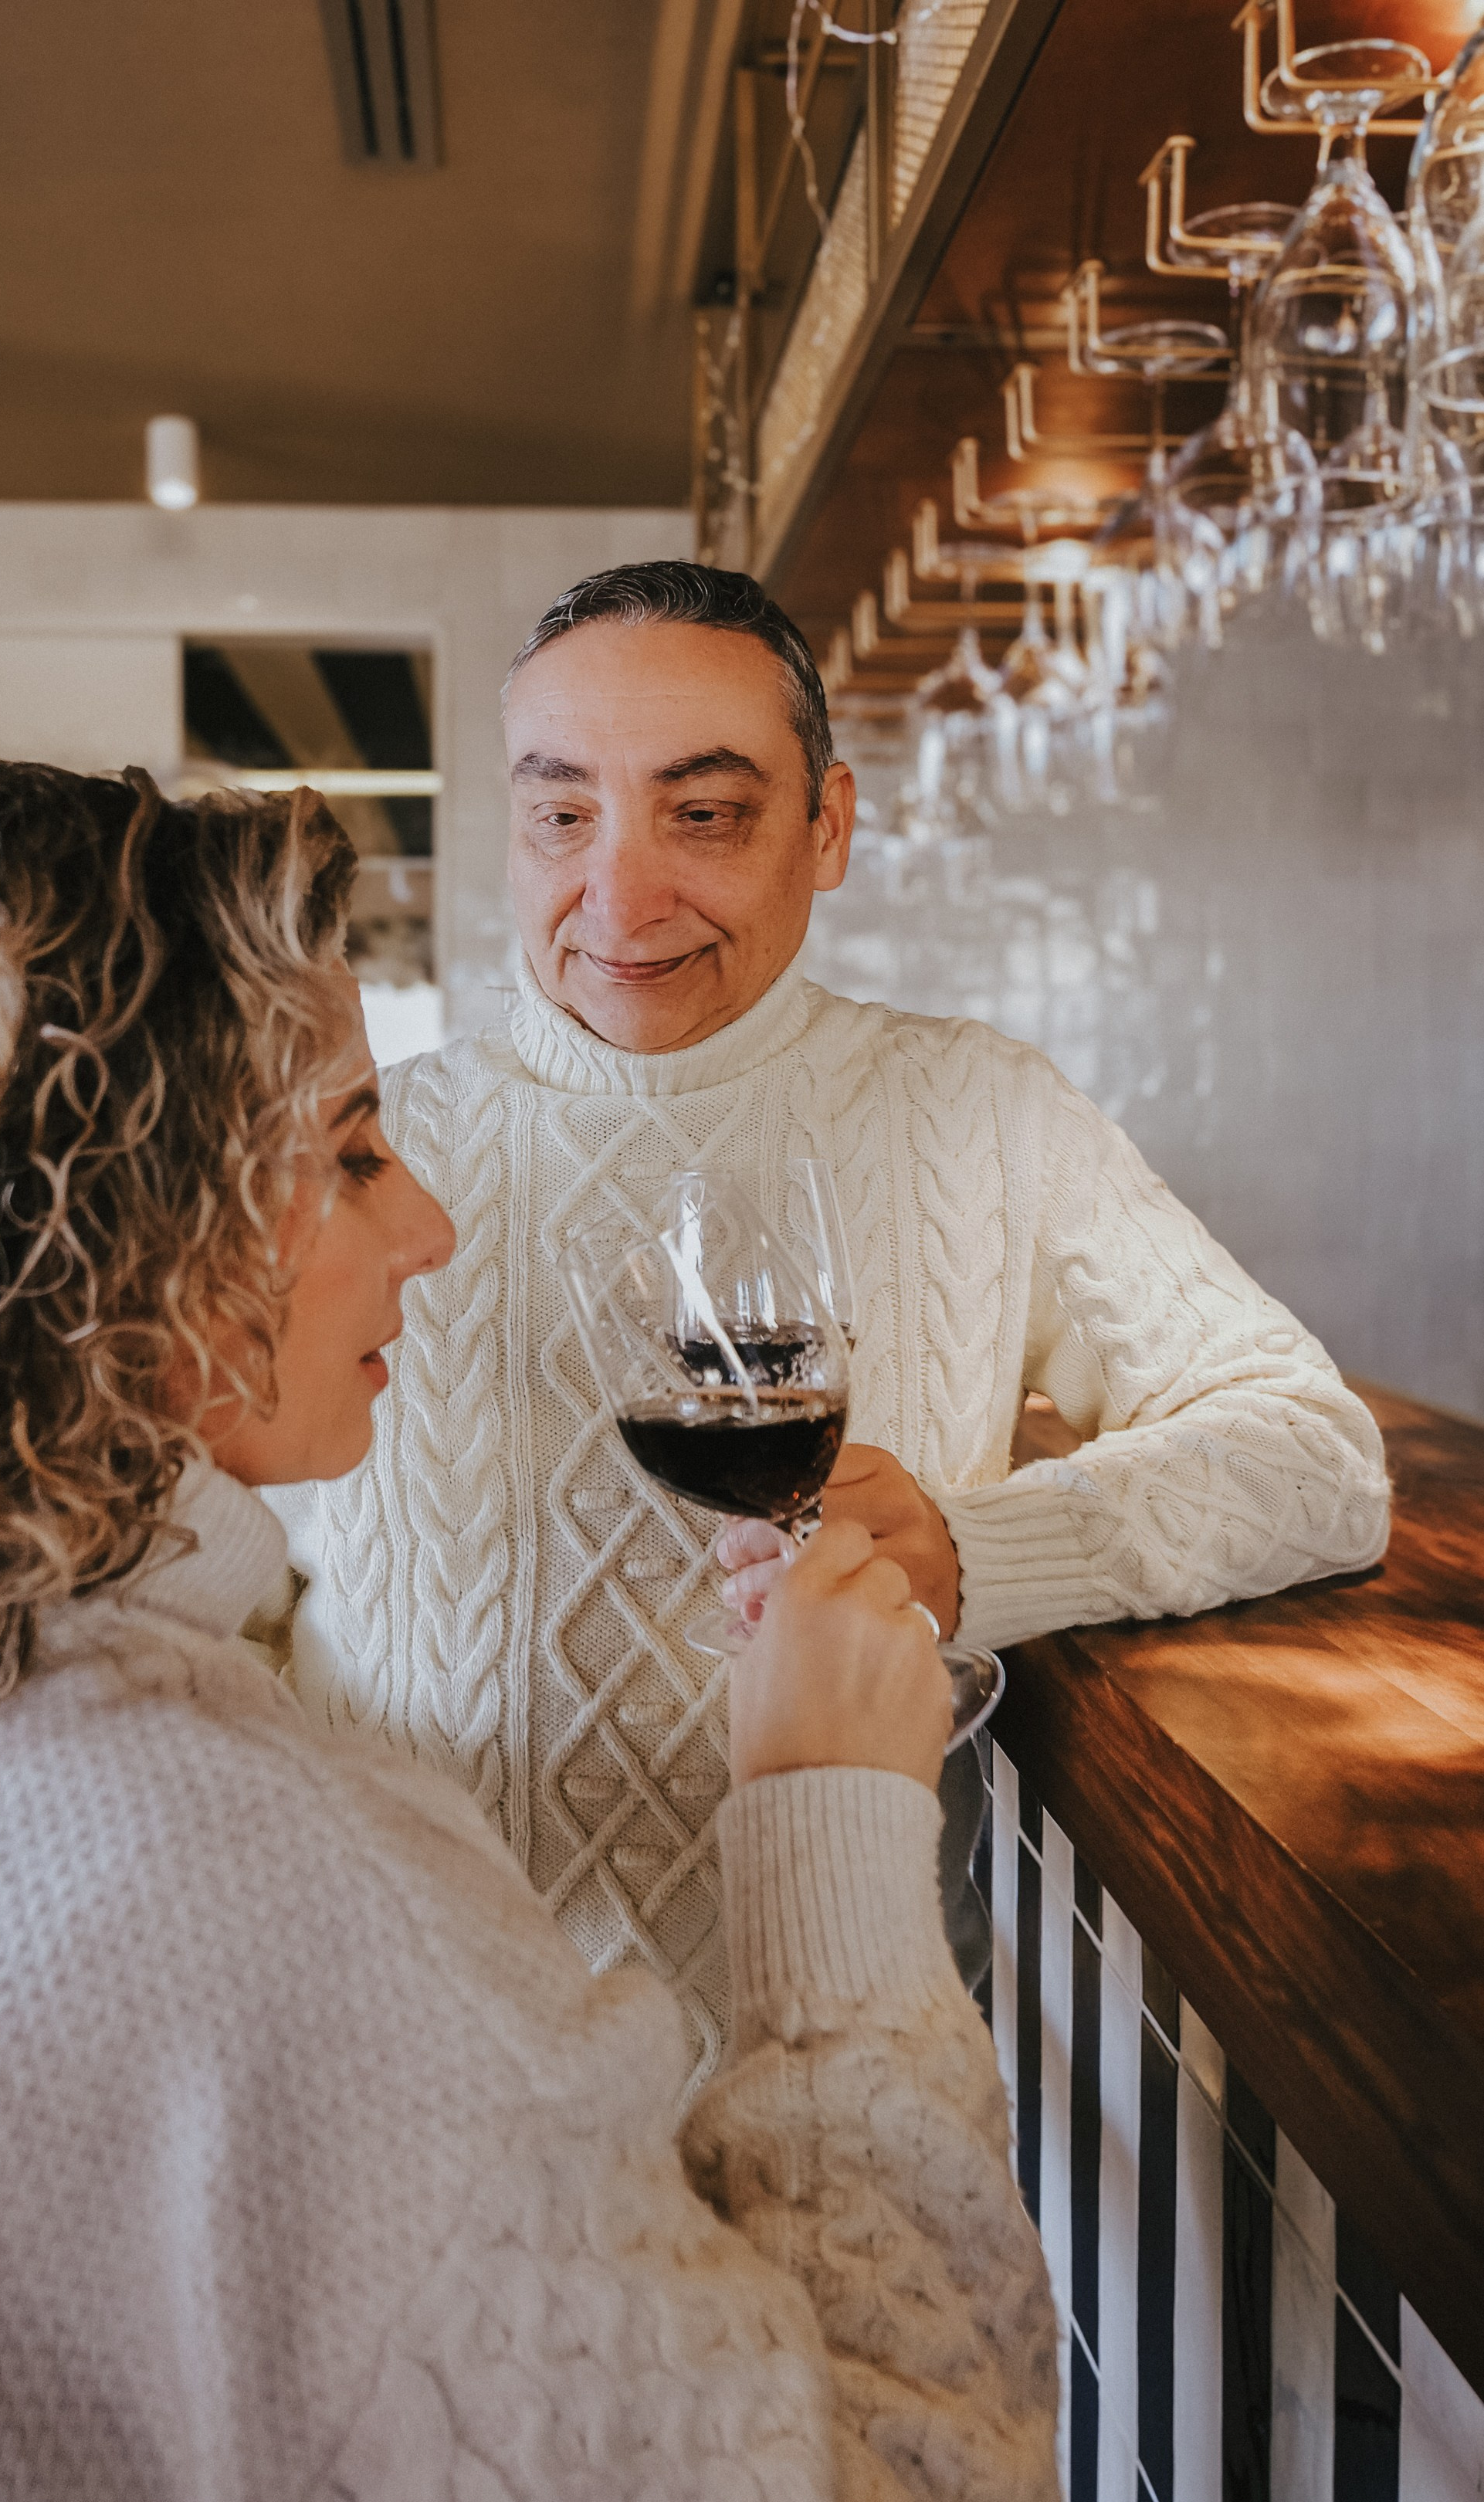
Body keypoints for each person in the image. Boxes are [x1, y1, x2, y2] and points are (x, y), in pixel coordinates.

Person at [0, 763, 1070, 2502]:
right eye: (351, 1150)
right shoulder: (282, 1908)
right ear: (130, 1223)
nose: (423, 1224)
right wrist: (829, 1828)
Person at [277, 559, 1391, 2087]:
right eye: (562, 815)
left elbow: (1316, 1456)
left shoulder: (978, 1110)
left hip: (852, 2078)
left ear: (827, 826)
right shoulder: (361, 1147)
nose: (620, 896)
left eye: (703, 812)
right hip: (423, 2085)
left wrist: (974, 1552)